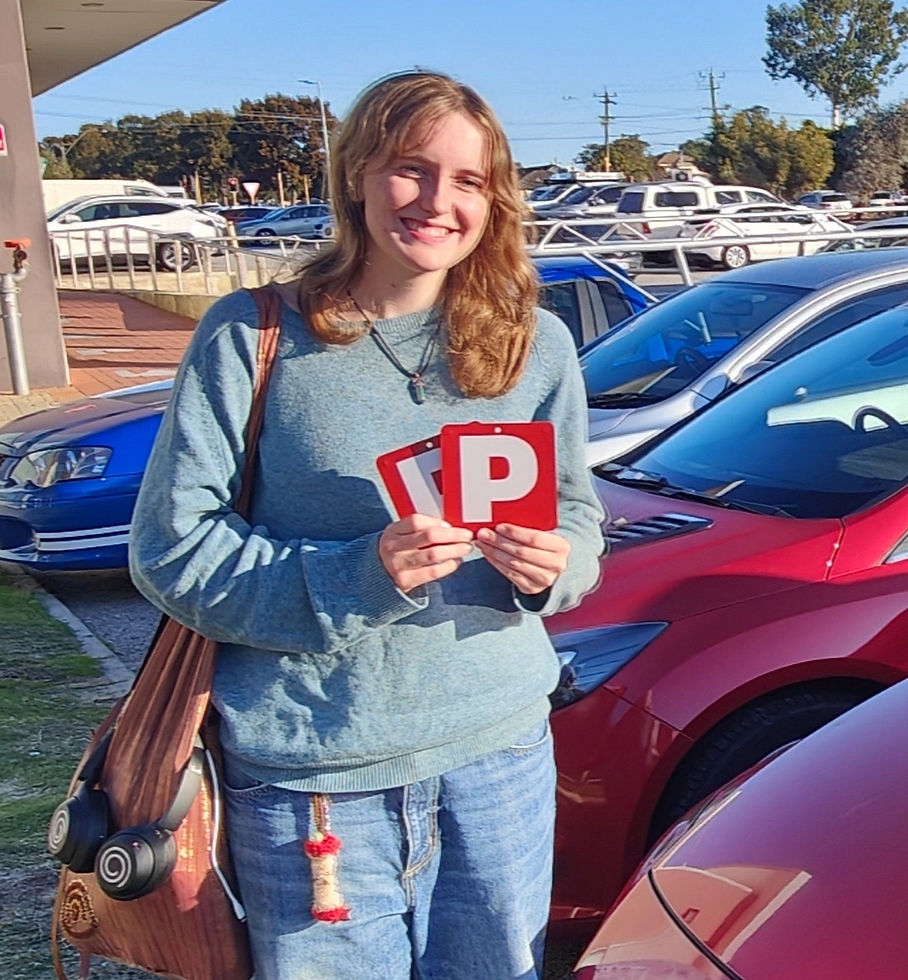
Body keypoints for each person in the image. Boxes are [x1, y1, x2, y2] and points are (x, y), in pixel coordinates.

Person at [128, 69, 604, 980]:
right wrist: (363, 573)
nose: (437, 202)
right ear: (355, 175)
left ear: (493, 199)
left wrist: (556, 563)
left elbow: (578, 514)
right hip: (315, 780)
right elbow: (171, 550)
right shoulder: (252, 335)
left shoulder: (535, 343)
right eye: (410, 169)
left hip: (499, 756)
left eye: (468, 180)